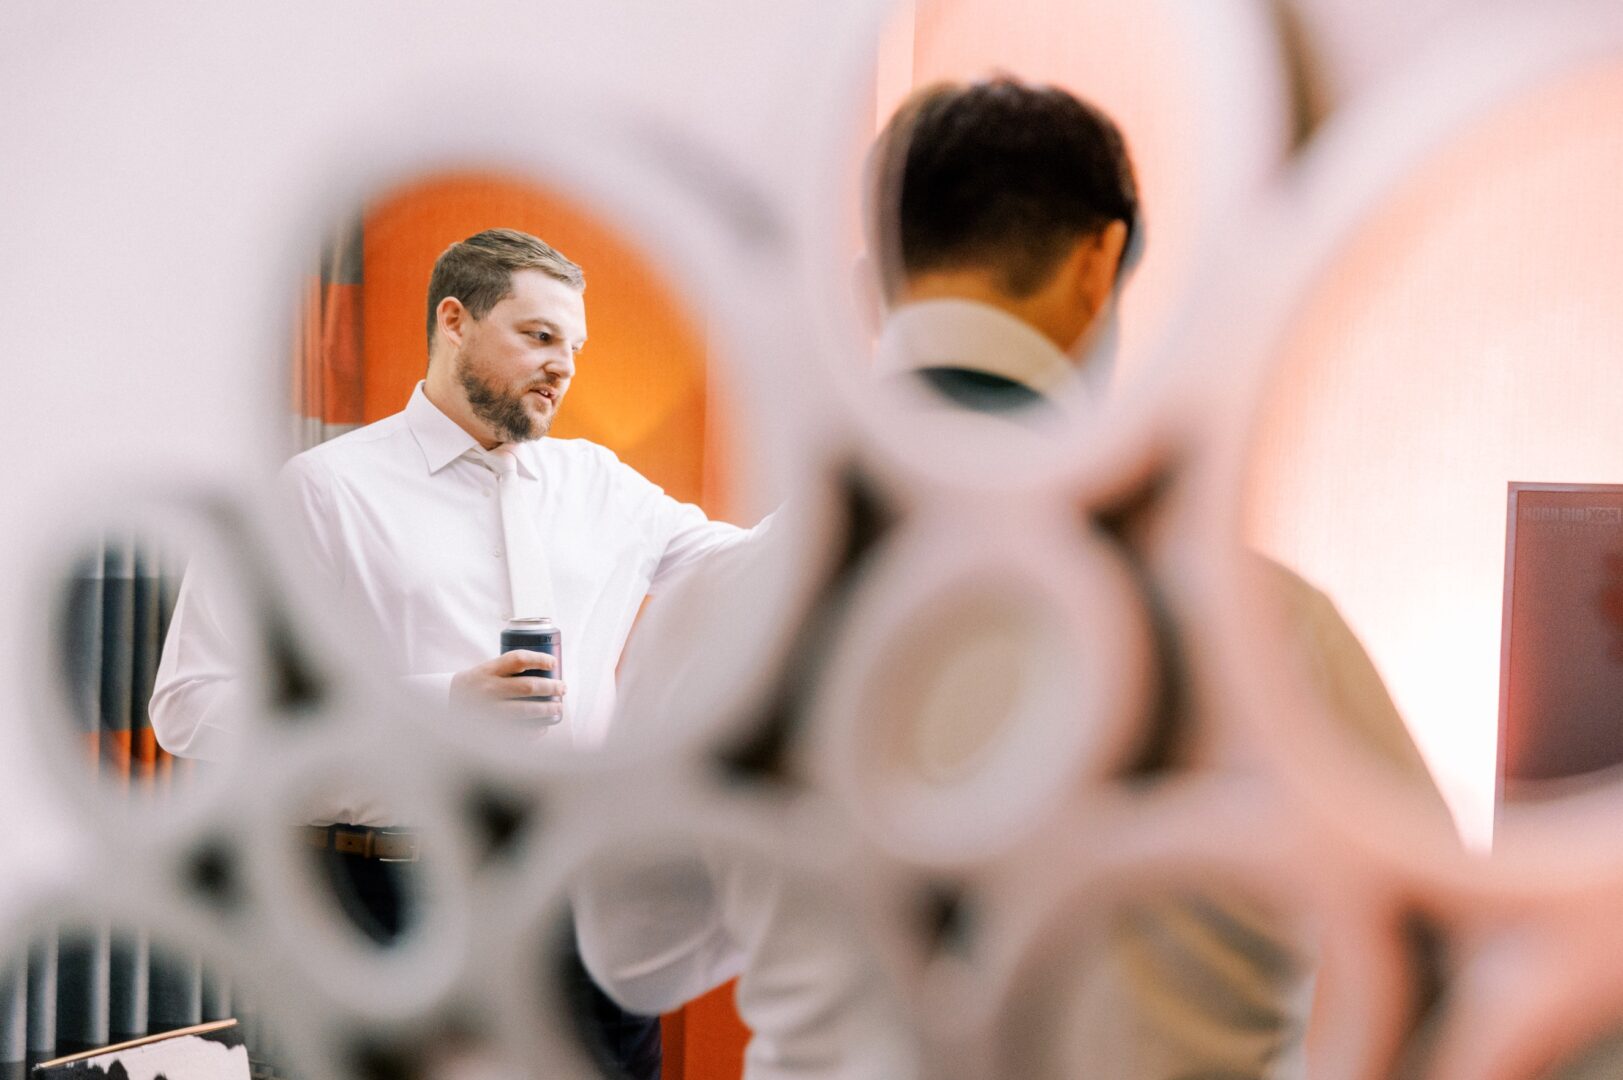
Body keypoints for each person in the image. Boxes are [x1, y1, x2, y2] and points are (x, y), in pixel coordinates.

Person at [576, 77, 1444, 1079]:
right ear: (1101, 261)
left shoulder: (721, 603)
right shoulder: (1263, 620)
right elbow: (1429, 939)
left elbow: (625, 956)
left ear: (871, 286)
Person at [151, 227, 768, 1080]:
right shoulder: (322, 492)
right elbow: (189, 703)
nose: (564, 366)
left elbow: (755, 567)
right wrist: (437, 707)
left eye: (575, 347)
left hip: (577, 900)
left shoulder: (601, 484)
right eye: (540, 336)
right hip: (386, 906)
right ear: (455, 321)